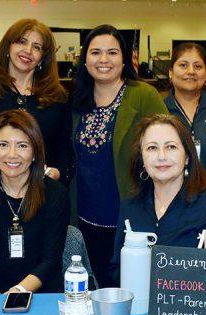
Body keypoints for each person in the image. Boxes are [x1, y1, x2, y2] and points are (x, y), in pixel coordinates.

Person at [71, 24, 168, 288]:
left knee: (133, 291)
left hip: (131, 220)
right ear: (85, 59)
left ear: (124, 58)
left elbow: (170, 144)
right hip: (85, 219)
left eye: (112, 52)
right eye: (95, 52)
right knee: (94, 291)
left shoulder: (143, 95)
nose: (103, 59)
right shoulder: (76, 100)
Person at [110, 114, 206, 281]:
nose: (161, 156)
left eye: (171, 147)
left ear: (187, 157)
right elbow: (117, 268)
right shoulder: (131, 204)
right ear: (142, 158)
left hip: (192, 296)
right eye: (152, 148)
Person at [0, 109, 68, 294]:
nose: (12, 154)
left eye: (22, 146)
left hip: (44, 295)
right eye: (3, 145)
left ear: (35, 152)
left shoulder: (55, 194)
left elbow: (50, 261)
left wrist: (17, 291)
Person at [0, 19, 72, 184]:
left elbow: (65, 151)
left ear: (42, 58)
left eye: (37, 47)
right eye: (22, 42)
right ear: (8, 47)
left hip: (44, 189)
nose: (28, 50)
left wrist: (57, 173)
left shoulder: (58, 98)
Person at [164, 43, 206, 195]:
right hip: (168, 200)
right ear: (170, 72)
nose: (191, 71)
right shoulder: (158, 109)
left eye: (198, 66)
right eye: (183, 65)